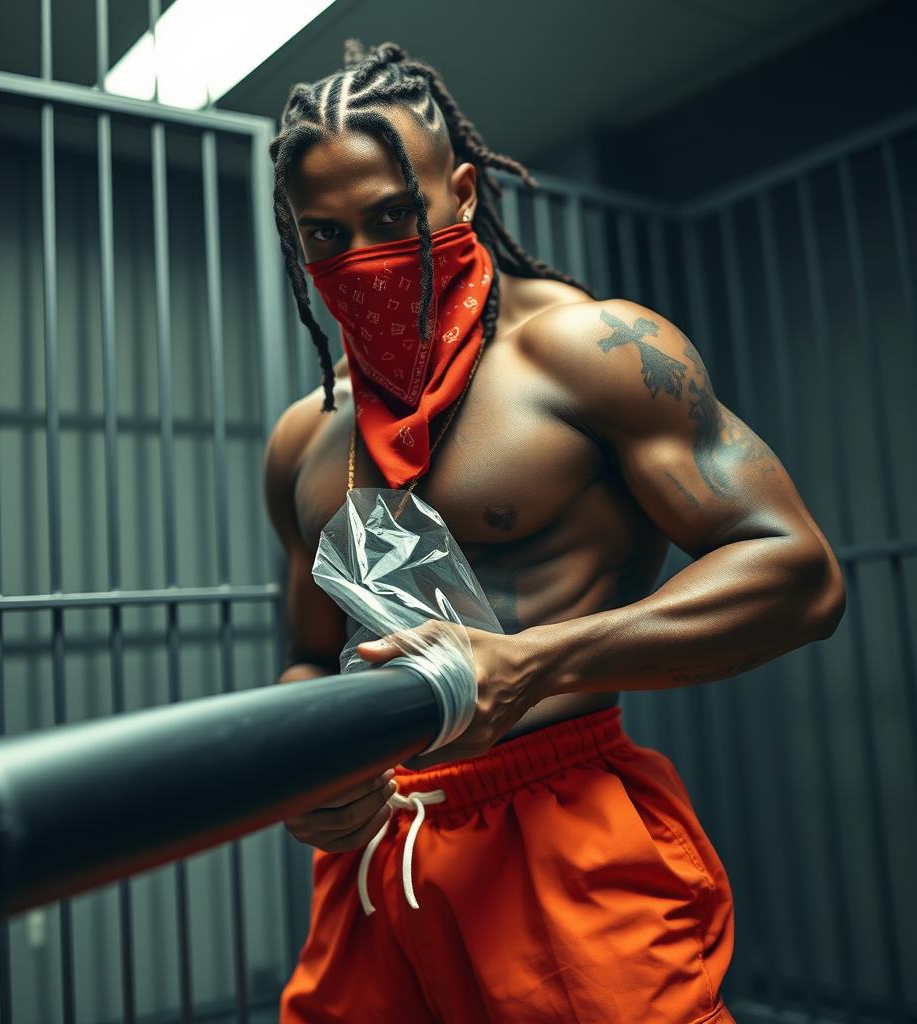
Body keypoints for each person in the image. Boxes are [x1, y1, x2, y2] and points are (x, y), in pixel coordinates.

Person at [262, 38, 845, 1024]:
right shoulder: (303, 440)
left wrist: (531, 661)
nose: (358, 259)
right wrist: (304, 764)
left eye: (393, 217)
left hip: (559, 828)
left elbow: (800, 575)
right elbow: (308, 660)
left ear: (460, 189)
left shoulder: (589, 352)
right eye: (325, 236)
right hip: (378, 861)